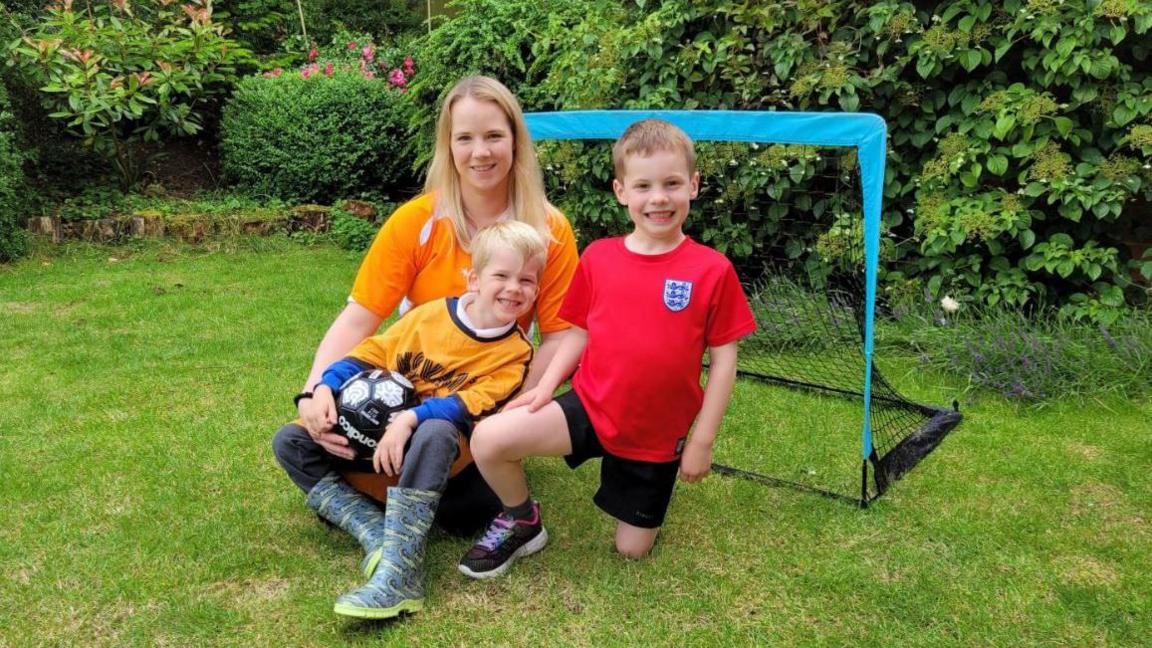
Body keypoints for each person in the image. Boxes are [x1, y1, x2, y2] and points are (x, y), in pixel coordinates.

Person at [457, 119, 757, 579]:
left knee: (631, 551)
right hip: (592, 407)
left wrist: (701, 440)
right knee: (489, 438)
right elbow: (577, 332)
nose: (658, 198)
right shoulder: (599, 256)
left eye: (672, 184)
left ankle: (639, 491)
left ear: (693, 186)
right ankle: (522, 519)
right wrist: (545, 389)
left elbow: (723, 361)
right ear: (621, 191)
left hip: (655, 435)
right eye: (643, 186)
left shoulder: (711, 270)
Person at [289, 75, 579, 534]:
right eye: (465, 138)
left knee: (469, 515)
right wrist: (314, 391)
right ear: (448, 146)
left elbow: (562, 335)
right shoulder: (416, 221)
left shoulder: (550, 229)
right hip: (403, 385)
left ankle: (396, 488)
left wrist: (508, 420)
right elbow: (361, 317)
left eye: (493, 136)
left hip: (473, 396)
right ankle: (368, 506)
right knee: (297, 440)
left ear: (516, 141)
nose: (480, 152)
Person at [273, 221, 548, 618]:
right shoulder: (430, 316)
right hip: (376, 450)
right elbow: (372, 353)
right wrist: (324, 388)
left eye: (527, 279)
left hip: (448, 469)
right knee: (289, 441)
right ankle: (374, 531)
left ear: (537, 290)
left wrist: (408, 420)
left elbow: (468, 404)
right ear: (473, 278)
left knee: (437, 430)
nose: (513, 287)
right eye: (501, 275)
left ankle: (401, 573)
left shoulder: (516, 353)